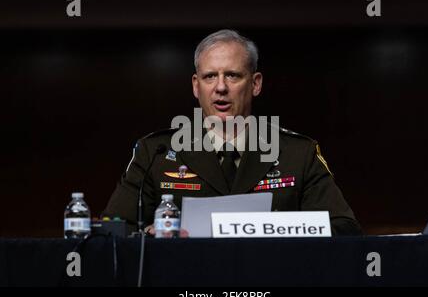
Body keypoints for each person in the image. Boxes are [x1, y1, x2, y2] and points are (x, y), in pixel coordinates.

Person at [103, 29, 362, 236]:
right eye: (210, 77)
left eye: (233, 75)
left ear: (255, 84)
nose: (221, 88)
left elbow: (344, 229)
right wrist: (152, 235)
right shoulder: (155, 153)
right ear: (196, 86)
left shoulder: (298, 153)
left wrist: (279, 230)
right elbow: (113, 230)